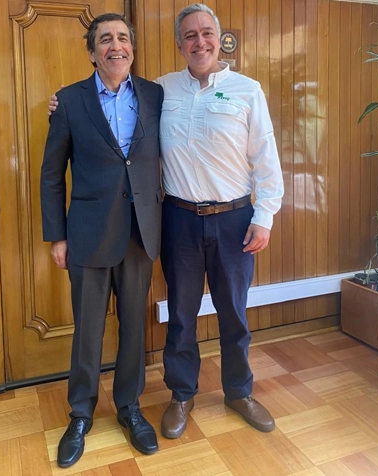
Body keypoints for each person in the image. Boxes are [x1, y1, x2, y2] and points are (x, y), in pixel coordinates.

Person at [48, 3, 284, 440]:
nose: (200, 41)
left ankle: (239, 392)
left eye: (206, 33)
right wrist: (62, 102)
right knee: (180, 315)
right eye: (190, 35)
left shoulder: (245, 90)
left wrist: (265, 215)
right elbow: (78, 139)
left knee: (234, 314)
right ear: (179, 44)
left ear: (218, 39)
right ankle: (181, 394)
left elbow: (266, 158)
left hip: (234, 219)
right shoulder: (161, 90)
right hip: (177, 219)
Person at [39, 12, 163, 468]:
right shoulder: (70, 101)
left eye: (123, 38)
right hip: (88, 235)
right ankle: (80, 414)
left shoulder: (155, 95)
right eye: (106, 39)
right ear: (92, 52)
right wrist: (56, 236)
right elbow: (52, 175)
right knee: (88, 330)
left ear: (132, 47)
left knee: (133, 327)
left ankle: (129, 406)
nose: (116, 46)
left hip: (140, 232)